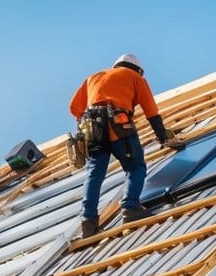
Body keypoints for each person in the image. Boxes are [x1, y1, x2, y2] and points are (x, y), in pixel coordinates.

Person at [69, 54, 186, 238]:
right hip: (118, 126)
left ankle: (88, 222)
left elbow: (75, 108)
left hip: (93, 129)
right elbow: (151, 112)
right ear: (138, 70)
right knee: (135, 167)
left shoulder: (94, 77)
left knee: (94, 173)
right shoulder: (135, 78)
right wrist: (163, 137)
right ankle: (130, 208)